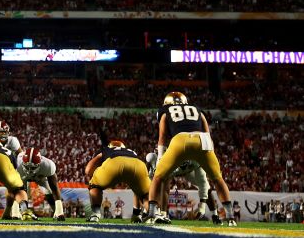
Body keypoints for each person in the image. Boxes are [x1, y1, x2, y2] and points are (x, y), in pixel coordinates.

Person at [146, 92, 236, 227]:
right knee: (217, 179)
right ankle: (230, 217)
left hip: (180, 140)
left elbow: (163, 136)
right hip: (202, 140)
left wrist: (160, 157)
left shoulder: (165, 110)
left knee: (158, 177)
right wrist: (210, 155)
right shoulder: (197, 110)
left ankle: (152, 214)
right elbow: (207, 133)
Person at [84, 136, 150, 223]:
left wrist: (96, 179)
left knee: (94, 185)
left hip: (114, 162)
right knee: (144, 194)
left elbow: (88, 170)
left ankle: (96, 214)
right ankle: (150, 214)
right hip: (138, 164)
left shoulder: (107, 149)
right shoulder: (131, 151)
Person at [2, 147, 65, 221]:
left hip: (39, 177)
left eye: (32, 168)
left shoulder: (48, 165)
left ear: (40, 163)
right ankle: (16, 213)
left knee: (49, 192)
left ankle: (57, 212)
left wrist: (60, 211)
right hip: (22, 176)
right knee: (19, 191)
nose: (29, 170)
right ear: (22, 162)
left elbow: (54, 187)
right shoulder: (16, 164)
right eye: (27, 167)